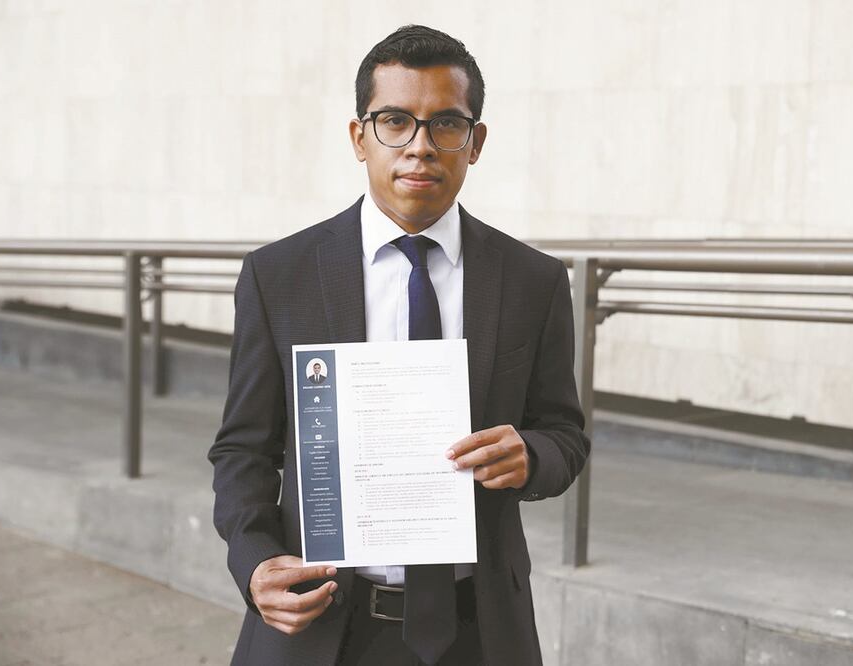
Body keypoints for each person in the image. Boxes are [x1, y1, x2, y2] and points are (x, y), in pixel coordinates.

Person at [208, 25, 590, 666]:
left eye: (446, 124)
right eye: (395, 122)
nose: (420, 148)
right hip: (323, 625)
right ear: (360, 137)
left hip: (480, 631)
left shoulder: (534, 282)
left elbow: (565, 435)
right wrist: (254, 562)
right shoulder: (281, 276)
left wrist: (532, 454)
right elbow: (243, 449)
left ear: (475, 142)